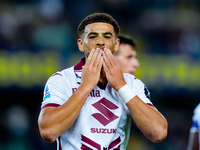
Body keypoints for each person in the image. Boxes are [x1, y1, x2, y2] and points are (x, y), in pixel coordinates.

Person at [38, 13, 168, 150]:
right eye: (93, 36)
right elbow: (48, 132)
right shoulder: (62, 79)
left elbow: (158, 133)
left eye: (107, 36)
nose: (100, 42)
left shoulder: (131, 83)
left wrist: (121, 86)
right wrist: (85, 87)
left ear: (116, 44)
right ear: (81, 45)